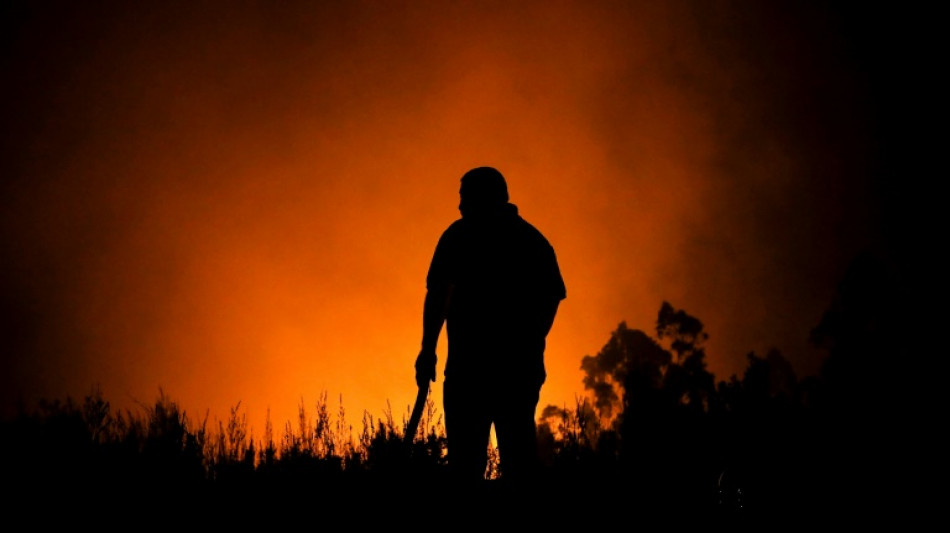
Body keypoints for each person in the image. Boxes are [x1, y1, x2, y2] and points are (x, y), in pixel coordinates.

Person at [415, 166, 566, 484]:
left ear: (486, 198)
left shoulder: (464, 237)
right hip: (495, 371)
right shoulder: (528, 239)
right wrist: (427, 350)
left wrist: (428, 350)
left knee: (485, 464)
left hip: (484, 372)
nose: (460, 205)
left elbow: (551, 296)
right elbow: (438, 295)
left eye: (465, 197)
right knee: (503, 462)